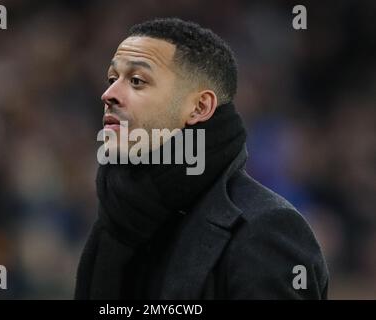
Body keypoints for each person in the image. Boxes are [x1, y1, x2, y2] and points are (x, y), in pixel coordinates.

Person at [74, 17, 329, 299]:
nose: (109, 94)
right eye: (112, 79)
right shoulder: (115, 224)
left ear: (199, 107)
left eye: (137, 81)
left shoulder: (265, 229)